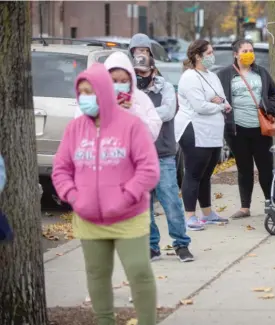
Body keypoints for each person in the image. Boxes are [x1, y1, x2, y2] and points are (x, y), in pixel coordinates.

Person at [52, 63, 159, 325]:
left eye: (91, 91)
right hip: (89, 219)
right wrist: (74, 196)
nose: (86, 97)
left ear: (104, 91)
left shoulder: (131, 126)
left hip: (128, 218)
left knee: (139, 271)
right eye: (82, 92)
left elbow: (149, 169)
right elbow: (60, 170)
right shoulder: (75, 129)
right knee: (97, 275)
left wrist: (126, 195)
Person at [132, 53, 194, 262]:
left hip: (162, 154)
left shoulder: (165, 88)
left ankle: (181, 244)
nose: (139, 76)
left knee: (170, 202)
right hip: (137, 156)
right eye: (136, 72)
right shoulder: (130, 91)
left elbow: (168, 112)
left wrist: (140, 115)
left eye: (143, 72)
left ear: (153, 71)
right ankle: (152, 246)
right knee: (144, 204)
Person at [217, 39, 275, 219]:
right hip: (237, 130)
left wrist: (270, 108)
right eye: (244, 51)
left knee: (265, 167)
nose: (248, 54)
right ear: (236, 54)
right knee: (244, 168)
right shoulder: (225, 75)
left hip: (260, 129)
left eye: (250, 50)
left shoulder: (262, 73)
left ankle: (271, 202)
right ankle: (245, 207)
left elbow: (274, 94)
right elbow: (217, 97)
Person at [175, 39, 231, 229]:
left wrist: (218, 102)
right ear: (198, 56)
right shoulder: (190, 77)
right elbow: (200, 106)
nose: (212, 56)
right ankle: (190, 215)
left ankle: (207, 213)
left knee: (207, 174)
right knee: (193, 173)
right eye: (209, 53)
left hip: (213, 132)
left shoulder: (212, 76)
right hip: (195, 129)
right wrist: (218, 104)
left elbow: (221, 97)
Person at [74, 52, 162, 142]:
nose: (118, 86)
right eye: (114, 81)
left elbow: (152, 134)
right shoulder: (92, 97)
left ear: (131, 80)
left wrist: (134, 111)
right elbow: (80, 131)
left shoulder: (140, 99)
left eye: (124, 81)